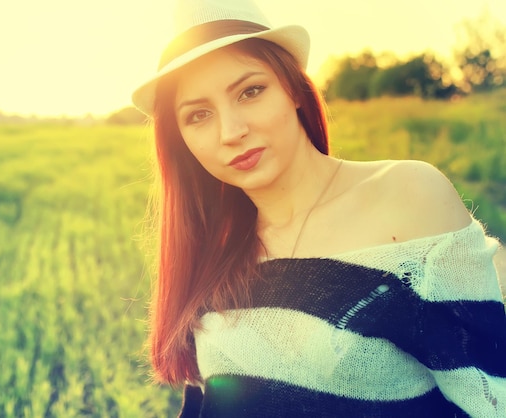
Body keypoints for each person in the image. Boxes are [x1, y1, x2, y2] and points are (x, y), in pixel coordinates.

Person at [131, 0, 506, 416]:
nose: (231, 132)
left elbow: (490, 393)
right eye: (199, 115)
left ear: (293, 87)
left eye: (250, 91)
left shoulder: (407, 195)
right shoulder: (214, 246)